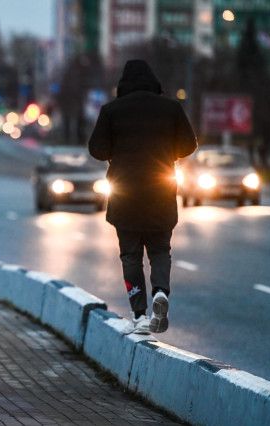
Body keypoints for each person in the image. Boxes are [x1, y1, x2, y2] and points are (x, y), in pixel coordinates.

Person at [88, 59, 197, 335]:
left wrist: (118, 151)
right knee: (160, 250)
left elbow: (97, 149)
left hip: (125, 193)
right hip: (161, 191)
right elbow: (189, 144)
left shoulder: (112, 111)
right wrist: (166, 152)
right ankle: (160, 292)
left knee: (130, 255)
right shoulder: (171, 108)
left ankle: (139, 315)